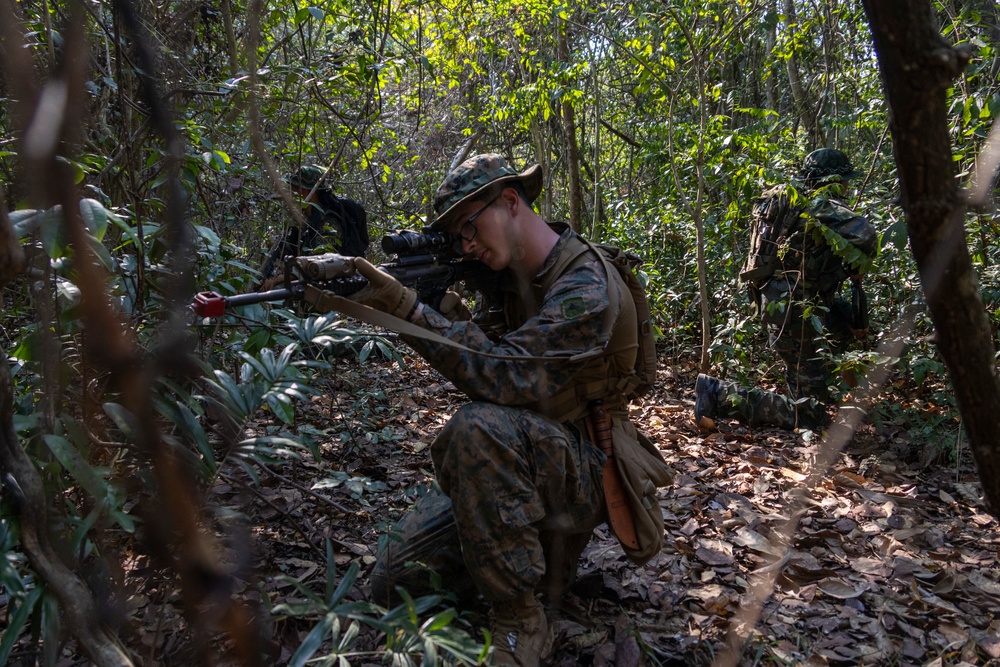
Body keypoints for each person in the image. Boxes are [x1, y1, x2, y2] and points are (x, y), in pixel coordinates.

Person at [303, 154, 672, 666]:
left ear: (511, 201)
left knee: (475, 430)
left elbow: (502, 376)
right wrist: (429, 302)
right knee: (392, 582)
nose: (467, 245)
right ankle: (518, 559)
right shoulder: (507, 278)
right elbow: (487, 353)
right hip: (530, 461)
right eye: (458, 238)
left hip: (587, 463)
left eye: (470, 227)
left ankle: (522, 617)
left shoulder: (585, 283)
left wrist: (410, 310)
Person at [694, 148, 878, 431]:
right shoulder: (816, 204)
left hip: (780, 300)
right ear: (832, 180)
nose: (847, 187)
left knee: (808, 389)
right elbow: (867, 235)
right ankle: (717, 394)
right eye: (844, 180)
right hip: (796, 307)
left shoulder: (787, 201)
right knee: (809, 414)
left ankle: (732, 395)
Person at [258, 164, 369, 287]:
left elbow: (320, 262)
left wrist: (282, 279)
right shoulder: (305, 219)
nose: (291, 194)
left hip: (332, 286)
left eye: (293, 188)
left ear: (304, 191)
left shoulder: (329, 223)